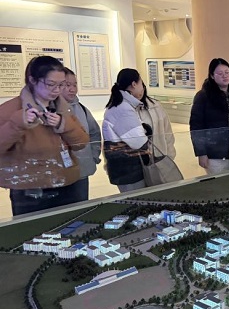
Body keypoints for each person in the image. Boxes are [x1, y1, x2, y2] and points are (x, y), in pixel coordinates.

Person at [0, 56, 89, 215]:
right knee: (35, 229)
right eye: (51, 84)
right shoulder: (10, 110)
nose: (57, 90)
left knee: (74, 226)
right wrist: (18, 123)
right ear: (33, 80)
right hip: (30, 188)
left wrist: (63, 124)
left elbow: (82, 142)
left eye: (61, 85)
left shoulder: (64, 108)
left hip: (67, 182)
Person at [102, 68, 176, 192]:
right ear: (134, 84)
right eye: (141, 83)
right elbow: (138, 142)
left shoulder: (130, 106)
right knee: (138, 198)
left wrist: (169, 156)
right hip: (129, 169)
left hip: (141, 165)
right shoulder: (123, 109)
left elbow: (167, 134)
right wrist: (146, 131)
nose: (143, 87)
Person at [190, 58, 229, 175]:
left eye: (227, 72)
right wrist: (201, 153)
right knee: (219, 183)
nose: (224, 76)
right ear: (212, 76)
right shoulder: (203, 96)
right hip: (215, 152)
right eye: (220, 73)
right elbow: (196, 126)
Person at [60, 67, 102, 201]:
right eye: (68, 85)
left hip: (81, 172)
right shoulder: (49, 110)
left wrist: (93, 156)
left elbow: (94, 133)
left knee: (81, 206)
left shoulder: (82, 109)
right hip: (60, 174)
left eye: (75, 85)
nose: (72, 89)